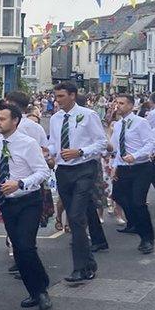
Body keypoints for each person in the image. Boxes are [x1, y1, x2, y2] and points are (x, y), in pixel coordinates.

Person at [0, 104, 53, 310]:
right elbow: (1, 170)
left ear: (15, 121)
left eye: (2, 119)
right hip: (8, 203)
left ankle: (41, 290)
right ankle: (34, 290)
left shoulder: (28, 144)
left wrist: (20, 183)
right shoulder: (0, 143)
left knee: (26, 245)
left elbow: (43, 171)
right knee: (18, 248)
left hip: (28, 200)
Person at [49, 82, 108, 283]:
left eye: (61, 96)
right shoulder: (56, 119)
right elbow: (54, 143)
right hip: (64, 171)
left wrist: (80, 151)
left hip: (84, 169)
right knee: (75, 219)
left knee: (75, 216)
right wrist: (50, 154)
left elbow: (101, 143)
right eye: (56, 96)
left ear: (72, 96)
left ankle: (79, 268)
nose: (57, 100)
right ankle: (89, 263)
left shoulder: (88, 115)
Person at [109, 93, 155, 254]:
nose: (118, 106)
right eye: (117, 103)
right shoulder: (118, 125)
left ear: (130, 105)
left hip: (140, 167)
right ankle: (134, 223)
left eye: (122, 103)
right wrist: (114, 165)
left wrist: (134, 156)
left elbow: (150, 144)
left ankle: (147, 238)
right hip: (123, 167)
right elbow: (116, 148)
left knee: (138, 202)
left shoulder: (140, 123)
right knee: (118, 196)